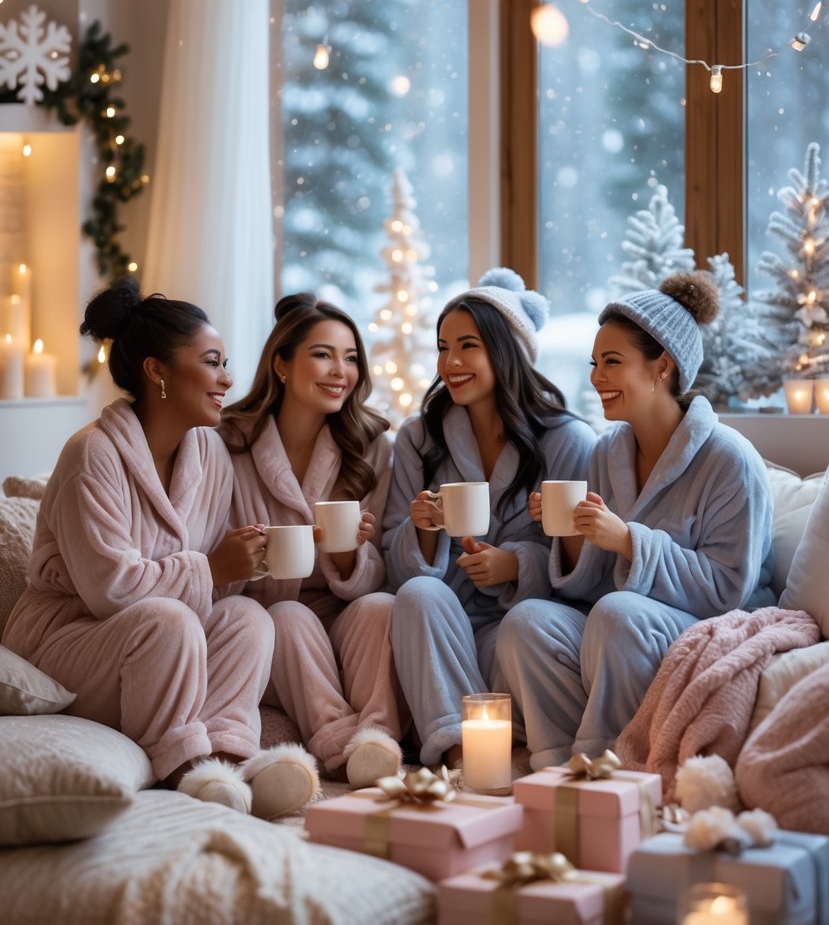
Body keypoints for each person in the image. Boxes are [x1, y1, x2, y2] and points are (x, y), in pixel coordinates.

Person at [3, 278, 320, 821]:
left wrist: (246, 560)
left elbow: (213, 587)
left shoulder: (211, 455)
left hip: (159, 644)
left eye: (226, 364)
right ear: (157, 371)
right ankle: (184, 767)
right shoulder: (92, 454)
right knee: (169, 621)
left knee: (248, 618)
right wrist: (210, 567)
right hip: (70, 641)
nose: (228, 378)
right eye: (213, 362)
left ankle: (226, 758)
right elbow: (109, 591)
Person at [494, 271, 776, 769]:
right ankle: (558, 764)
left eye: (612, 362)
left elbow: (729, 588)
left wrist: (629, 541)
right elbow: (589, 585)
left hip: (703, 625)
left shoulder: (730, 460)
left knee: (617, 613)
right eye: (594, 363)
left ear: (661, 366)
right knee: (527, 621)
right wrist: (573, 532)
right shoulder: (608, 453)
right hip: (618, 625)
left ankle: (612, 769)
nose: (595, 377)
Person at [383, 268, 596, 770]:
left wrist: (517, 565)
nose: (451, 362)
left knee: (523, 629)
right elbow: (395, 564)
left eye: (468, 346)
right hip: (444, 639)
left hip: (517, 641)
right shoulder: (419, 438)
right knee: (418, 594)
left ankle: (526, 752)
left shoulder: (567, 441)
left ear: (507, 351)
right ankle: (462, 754)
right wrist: (421, 529)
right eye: (443, 347)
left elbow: (590, 572)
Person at [221, 293, 405, 787]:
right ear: (281, 365)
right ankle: (339, 748)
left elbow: (377, 572)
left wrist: (348, 555)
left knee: (382, 607)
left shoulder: (372, 447)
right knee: (289, 614)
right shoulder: (228, 443)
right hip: (271, 626)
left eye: (351, 358)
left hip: (340, 618)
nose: (340, 371)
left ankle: (377, 741)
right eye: (323, 355)